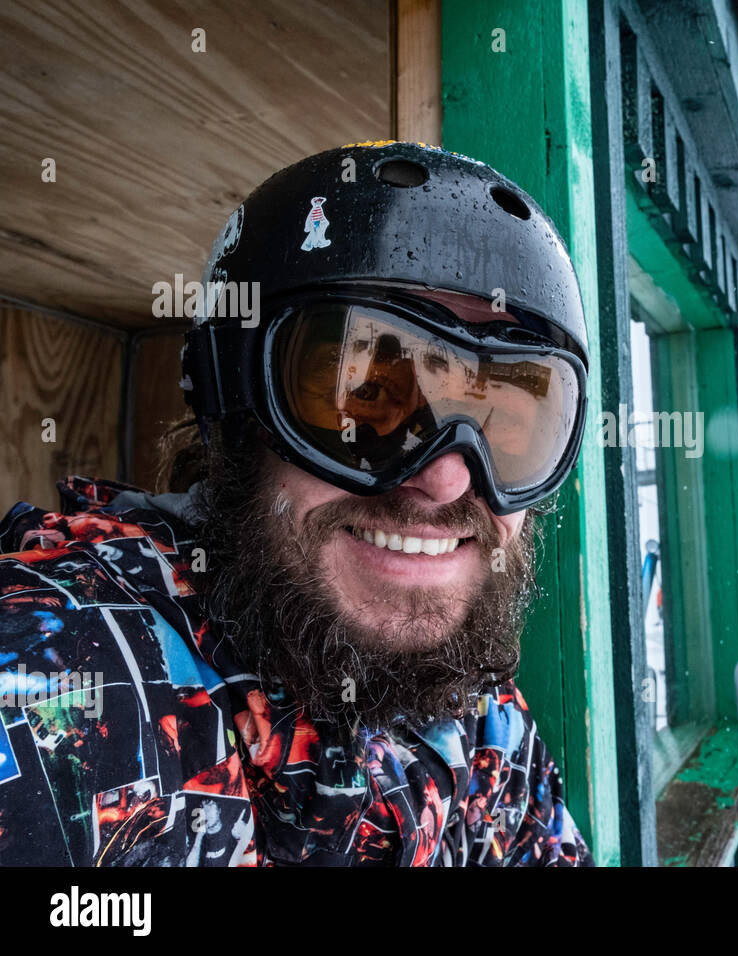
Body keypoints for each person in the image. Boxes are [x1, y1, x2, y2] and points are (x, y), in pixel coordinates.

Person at [0, 143, 593, 867]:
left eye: (505, 420)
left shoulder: (485, 723)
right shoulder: (64, 684)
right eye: (366, 397)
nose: (443, 482)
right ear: (232, 409)